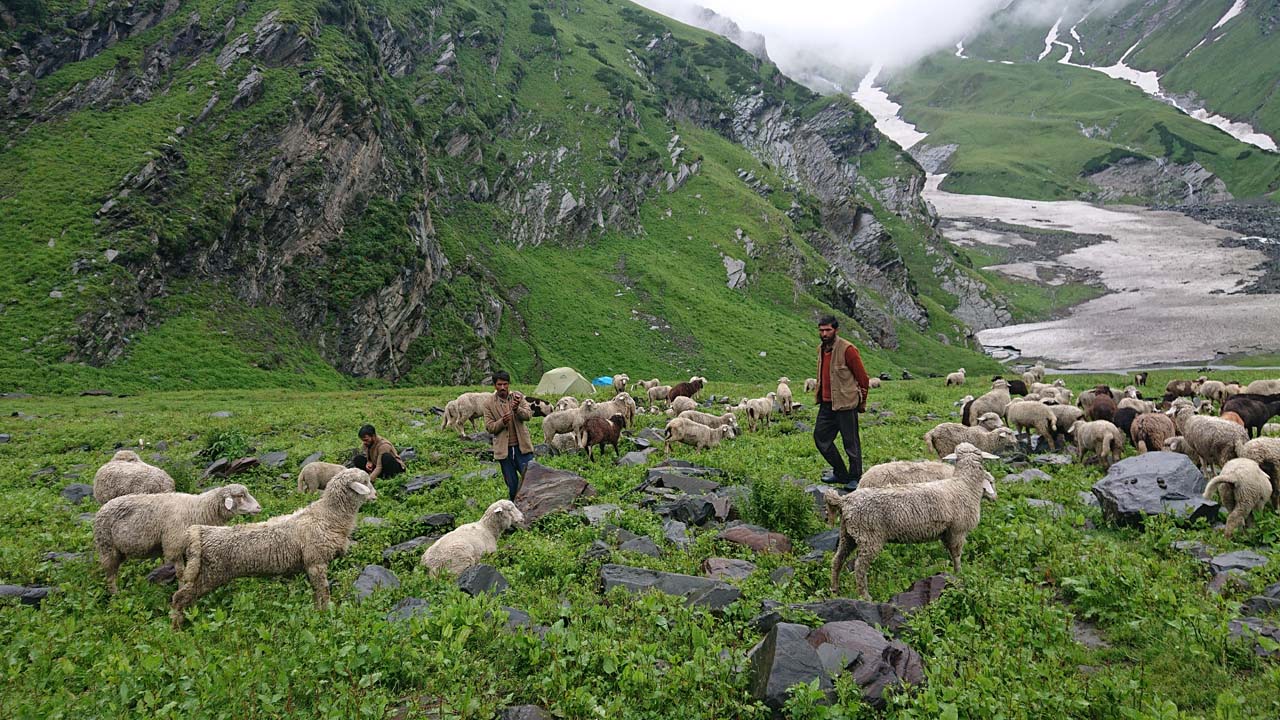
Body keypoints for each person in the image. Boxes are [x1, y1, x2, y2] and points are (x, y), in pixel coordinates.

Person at [813, 315, 871, 490]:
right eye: (821, 330)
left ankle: (855, 477)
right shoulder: (821, 349)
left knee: (850, 442)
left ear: (836, 330)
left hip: (846, 403)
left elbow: (863, 378)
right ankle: (840, 472)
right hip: (826, 404)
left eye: (828, 330)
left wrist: (862, 401)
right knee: (820, 438)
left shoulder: (848, 349)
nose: (824, 333)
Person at [484, 371, 534, 501]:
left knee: (530, 480)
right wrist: (502, 422)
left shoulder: (518, 397)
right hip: (504, 451)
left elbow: (528, 416)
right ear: (495, 385)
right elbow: (490, 427)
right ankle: (515, 508)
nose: (502, 387)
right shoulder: (489, 403)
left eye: (505, 384)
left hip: (522, 447)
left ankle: (533, 508)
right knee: (512, 485)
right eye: (499, 384)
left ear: (509, 384)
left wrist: (517, 409)